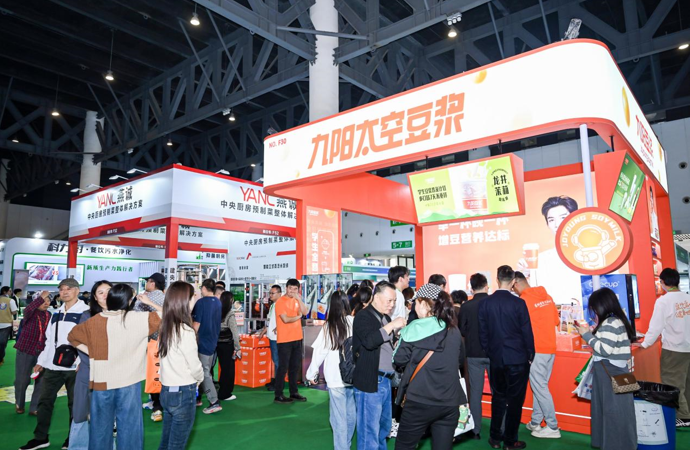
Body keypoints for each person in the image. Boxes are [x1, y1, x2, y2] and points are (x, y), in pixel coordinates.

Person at [68, 283, 161, 450]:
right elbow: (168, 315)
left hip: (102, 381)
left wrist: (92, 352)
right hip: (129, 381)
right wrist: (148, 302)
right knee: (130, 426)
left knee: (100, 427)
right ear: (130, 301)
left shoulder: (94, 321)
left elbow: (72, 336)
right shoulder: (138, 319)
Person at [393, 284, 466, 450]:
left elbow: (398, 360)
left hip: (419, 400)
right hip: (449, 401)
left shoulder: (413, 329)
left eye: (416, 302)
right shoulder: (453, 329)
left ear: (424, 304)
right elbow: (460, 360)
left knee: (404, 446)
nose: (414, 307)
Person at [20, 278, 89, 450]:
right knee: (44, 401)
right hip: (52, 366)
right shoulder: (56, 312)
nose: (64, 292)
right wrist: (42, 361)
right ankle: (41, 438)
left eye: (69, 289)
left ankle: (72, 438)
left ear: (77, 290)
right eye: (62, 289)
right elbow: (49, 340)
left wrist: (82, 361)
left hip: (75, 367)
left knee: (75, 404)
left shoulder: (86, 312)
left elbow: (90, 340)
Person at [478, 266, 534, 450]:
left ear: (497, 280)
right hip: (517, 358)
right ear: (513, 281)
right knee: (515, 402)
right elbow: (527, 331)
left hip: (496, 359)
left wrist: (490, 351)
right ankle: (510, 441)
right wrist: (530, 354)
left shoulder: (485, 303)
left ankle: (495, 438)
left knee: (498, 398)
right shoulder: (518, 303)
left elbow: (483, 333)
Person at [576, 288, 637, 450]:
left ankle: (614, 445)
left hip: (610, 373)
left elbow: (604, 349)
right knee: (621, 411)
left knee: (612, 412)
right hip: (618, 371)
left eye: (594, 308)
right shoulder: (617, 320)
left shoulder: (610, 323)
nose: (593, 312)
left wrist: (586, 334)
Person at [352, 281, 406, 450]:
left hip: (385, 381)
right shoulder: (363, 316)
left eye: (394, 301)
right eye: (389, 300)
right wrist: (392, 325)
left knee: (383, 430)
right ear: (376, 297)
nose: (392, 305)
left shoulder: (385, 318)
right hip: (371, 380)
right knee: (369, 433)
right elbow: (369, 341)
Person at [513, 271, 561, 438]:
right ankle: (535, 422)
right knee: (540, 387)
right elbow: (556, 321)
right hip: (550, 348)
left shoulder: (523, 301)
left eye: (513, 287)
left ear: (515, 283)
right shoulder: (547, 296)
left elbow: (518, 328)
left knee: (539, 387)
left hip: (536, 350)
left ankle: (553, 426)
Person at [157, 281, 204, 450]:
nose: (195, 299)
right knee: (177, 444)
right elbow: (194, 365)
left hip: (166, 389)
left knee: (166, 440)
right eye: (192, 296)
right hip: (183, 391)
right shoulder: (185, 330)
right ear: (185, 301)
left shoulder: (166, 326)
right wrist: (200, 378)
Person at [306, 291, 356, 450]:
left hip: (335, 377)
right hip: (353, 376)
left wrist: (311, 373)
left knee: (338, 418)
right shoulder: (354, 322)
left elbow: (319, 352)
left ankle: (342, 447)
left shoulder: (329, 326)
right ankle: (346, 444)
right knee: (350, 414)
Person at [642, 268, 690, 427]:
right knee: (686, 382)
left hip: (674, 349)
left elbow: (656, 326)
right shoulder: (688, 297)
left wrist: (645, 344)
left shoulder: (663, 301)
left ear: (662, 282)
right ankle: (687, 412)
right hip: (688, 347)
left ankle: (683, 416)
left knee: (673, 383)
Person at [68, 280, 112, 450]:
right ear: (94, 297)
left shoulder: (123, 315)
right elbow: (77, 339)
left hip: (114, 375)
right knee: (80, 412)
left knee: (107, 415)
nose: (105, 295)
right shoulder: (87, 316)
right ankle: (79, 446)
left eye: (108, 291)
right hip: (89, 371)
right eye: (101, 292)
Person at [518, 196, 581, 305]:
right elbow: (533, 299)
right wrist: (524, 276)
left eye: (563, 217)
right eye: (551, 220)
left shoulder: (591, 254)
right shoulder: (541, 260)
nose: (557, 224)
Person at [459, 273, 490, 440]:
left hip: (473, 353)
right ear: (487, 286)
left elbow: (462, 330)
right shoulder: (493, 303)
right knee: (499, 392)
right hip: (493, 353)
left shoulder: (466, 306)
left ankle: (475, 430)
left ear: (471, 288)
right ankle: (499, 429)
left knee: (475, 393)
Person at [134, 272, 166, 422]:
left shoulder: (147, 298)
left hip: (152, 341)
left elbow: (135, 313)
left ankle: (156, 404)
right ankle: (157, 402)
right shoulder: (166, 297)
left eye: (148, 281)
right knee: (162, 372)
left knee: (153, 372)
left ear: (153, 283)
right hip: (165, 340)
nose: (146, 284)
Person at [13, 291, 51, 415]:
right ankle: (19, 404)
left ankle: (35, 407)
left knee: (41, 381)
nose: (46, 303)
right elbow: (29, 308)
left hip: (42, 352)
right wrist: (41, 296)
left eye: (48, 300)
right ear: (36, 301)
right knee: (22, 379)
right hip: (26, 350)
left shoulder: (49, 315)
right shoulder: (30, 313)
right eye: (43, 300)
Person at [274, 278, 309, 403]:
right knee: (283, 368)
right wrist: (298, 316)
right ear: (286, 288)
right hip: (284, 340)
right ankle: (278, 394)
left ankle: (294, 392)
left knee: (295, 367)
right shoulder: (280, 302)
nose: (292, 291)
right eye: (290, 288)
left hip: (297, 338)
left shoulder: (296, 300)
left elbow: (305, 311)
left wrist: (299, 299)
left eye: (295, 289)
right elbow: (285, 319)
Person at [192, 278, 223, 414]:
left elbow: (196, 324)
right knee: (203, 370)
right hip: (212, 341)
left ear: (204, 288)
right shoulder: (218, 302)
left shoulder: (201, 302)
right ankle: (197, 398)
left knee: (204, 372)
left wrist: (189, 338)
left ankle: (214, 401)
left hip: (202, 342)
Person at [217, 291, 241, 401]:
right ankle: (225, 393)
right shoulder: (230, 314)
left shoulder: (217, 312)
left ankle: (221, 391)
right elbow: (234, 332)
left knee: (223, 368)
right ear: (230, 301)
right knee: (229, 370)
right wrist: (238, 348)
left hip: (218, 344)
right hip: (227, 345)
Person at [258, 285, 281, 391]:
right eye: (270, 293)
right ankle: (275, 380)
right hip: (272, 337)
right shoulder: (273, 306)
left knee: (277, 360)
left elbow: (285, 320)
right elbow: (269, 321)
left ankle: (278, 383)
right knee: (275, 360)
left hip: (278, 337)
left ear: (279, 294)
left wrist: (279, 327)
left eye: (273, 293)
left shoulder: (281, 305)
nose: (270, 295)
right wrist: (264, 331)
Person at [0, 285, 18, 365]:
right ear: (5, 292)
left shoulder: (10, 300)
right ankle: (0, 358)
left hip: (6, 324)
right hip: (6, 324)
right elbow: (14, 312)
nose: (11, 292)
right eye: (10, 291)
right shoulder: (11, 300)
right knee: (2, 343)